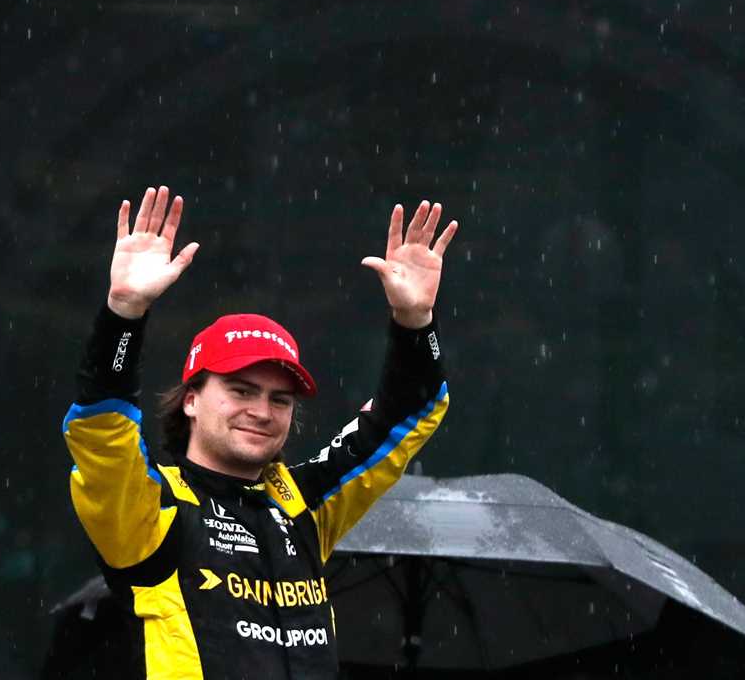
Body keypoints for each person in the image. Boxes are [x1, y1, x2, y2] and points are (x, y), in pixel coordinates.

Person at [62, 185, 457, 679]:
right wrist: (123, 315)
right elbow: (102, 435)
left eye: (280, 399)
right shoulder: (150, 508)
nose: (262, 411)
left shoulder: (303, 503)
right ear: (190, 399)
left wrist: (415, 321)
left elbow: (409, 415)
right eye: (242, 391)